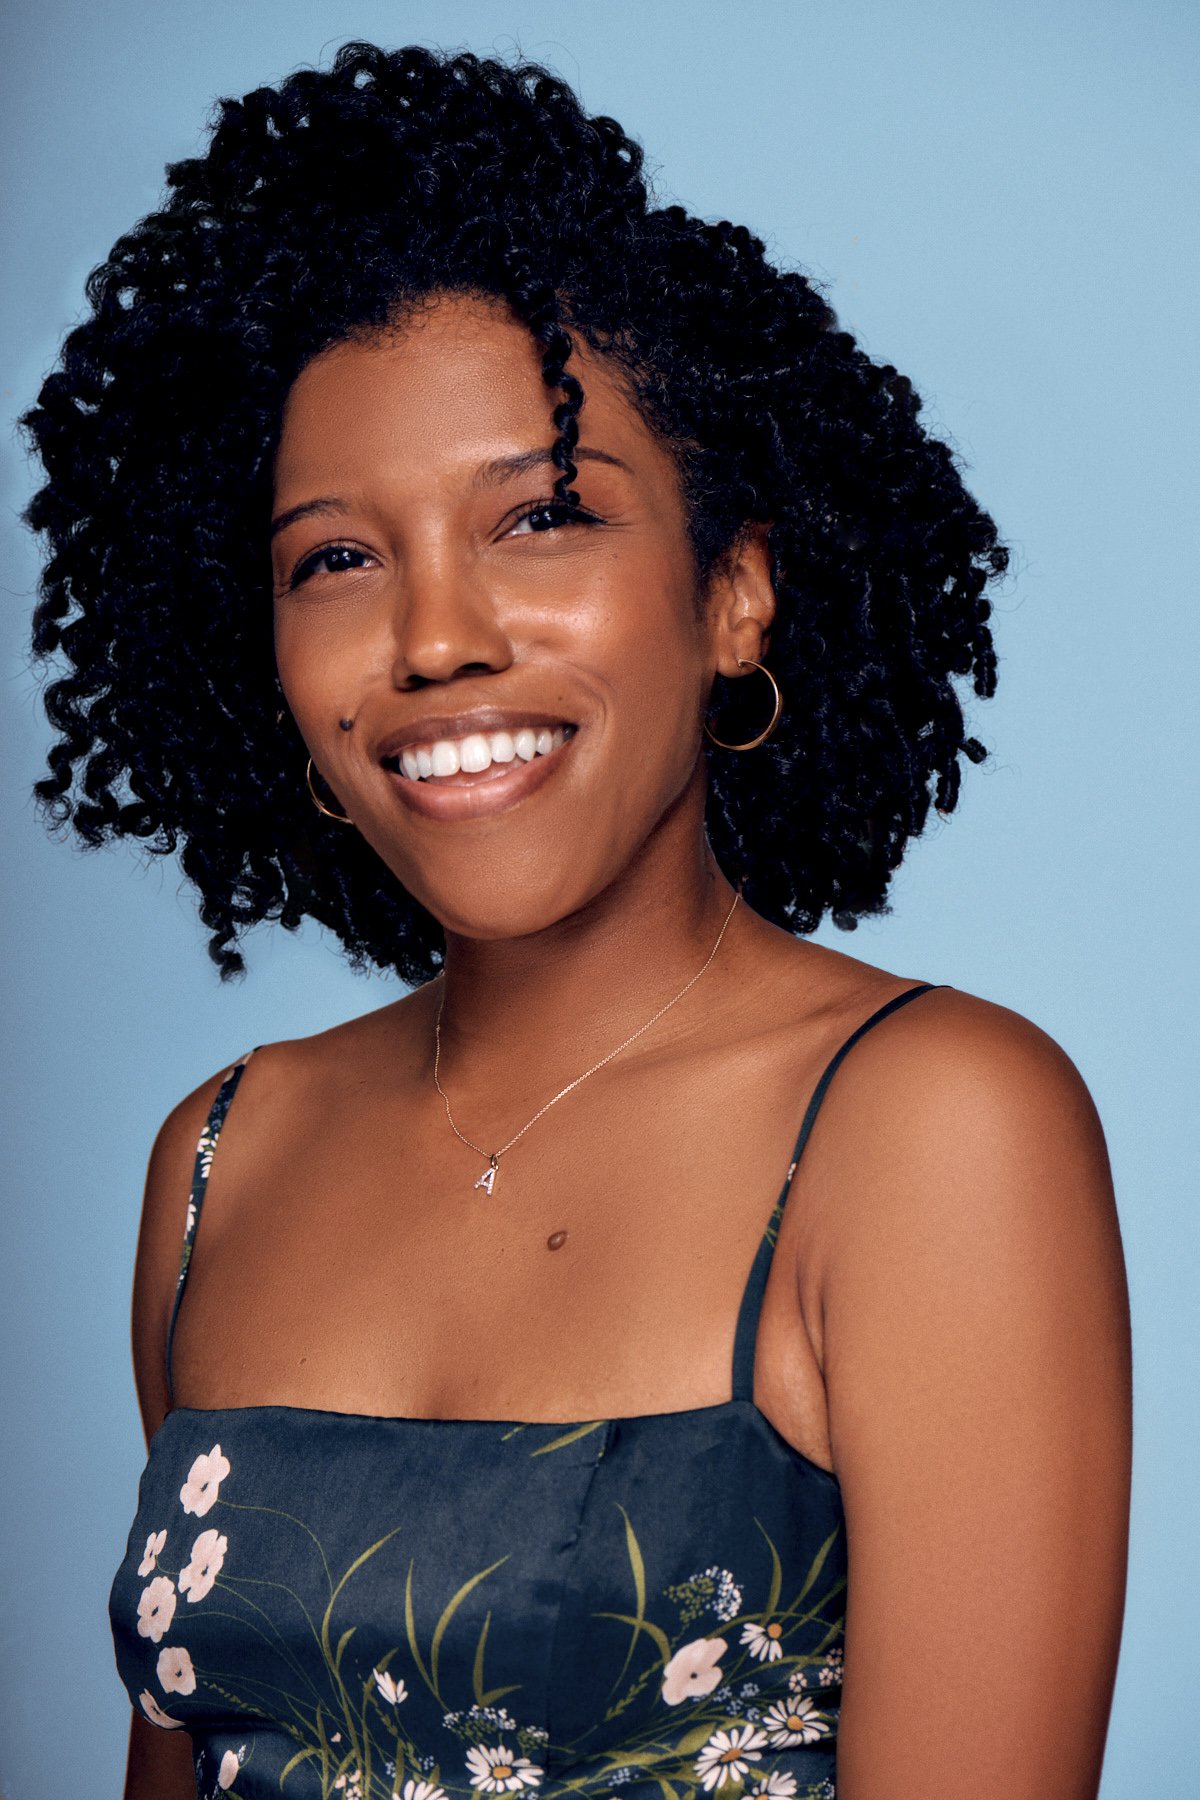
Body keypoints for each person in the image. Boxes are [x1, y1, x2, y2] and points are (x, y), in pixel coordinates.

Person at [22, 41, 1131, 1800]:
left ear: (734, 594)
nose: (435, 639)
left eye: (542, 517)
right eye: (337, 557)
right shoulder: (223, 1158)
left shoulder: (928, 1130)